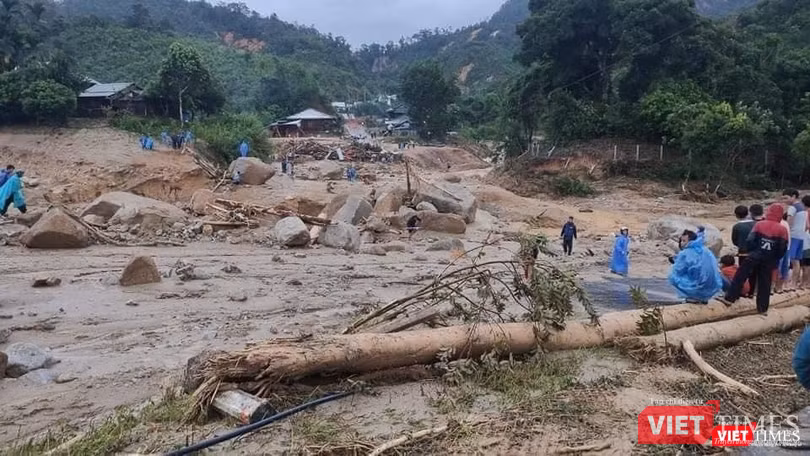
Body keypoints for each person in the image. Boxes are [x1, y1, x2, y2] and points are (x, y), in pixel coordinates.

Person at [724, 203, 789, 314]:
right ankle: (762, 309)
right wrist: (775, 258)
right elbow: (783, 247)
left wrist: (753, 251)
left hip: (755, 255)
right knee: (765, 283)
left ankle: (730, 298)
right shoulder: (782, 230)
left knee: (741, 275)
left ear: (769, 212)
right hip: (769, 258)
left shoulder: (760, 224)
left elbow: (750, 240)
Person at [669, 230, 723, 304]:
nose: (681, 243)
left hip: (698, 285)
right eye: (681, 241)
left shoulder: (685, 252)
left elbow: (679, 269)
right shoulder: (705, 250)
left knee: (672, 276)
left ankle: (694, 296)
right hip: (712, 285)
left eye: (684, 241)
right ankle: (703, 298)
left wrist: (675, 261)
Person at [783, 189, 807, 287]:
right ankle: (794, 284)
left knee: (790, 260)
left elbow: (789, 222)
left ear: (793, 196)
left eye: (786, 198)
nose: (784, 200)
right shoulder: (803, 207)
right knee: (796, 261)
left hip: (793, 236)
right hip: (801, 236)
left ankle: (787, 284)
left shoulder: (792, 208)